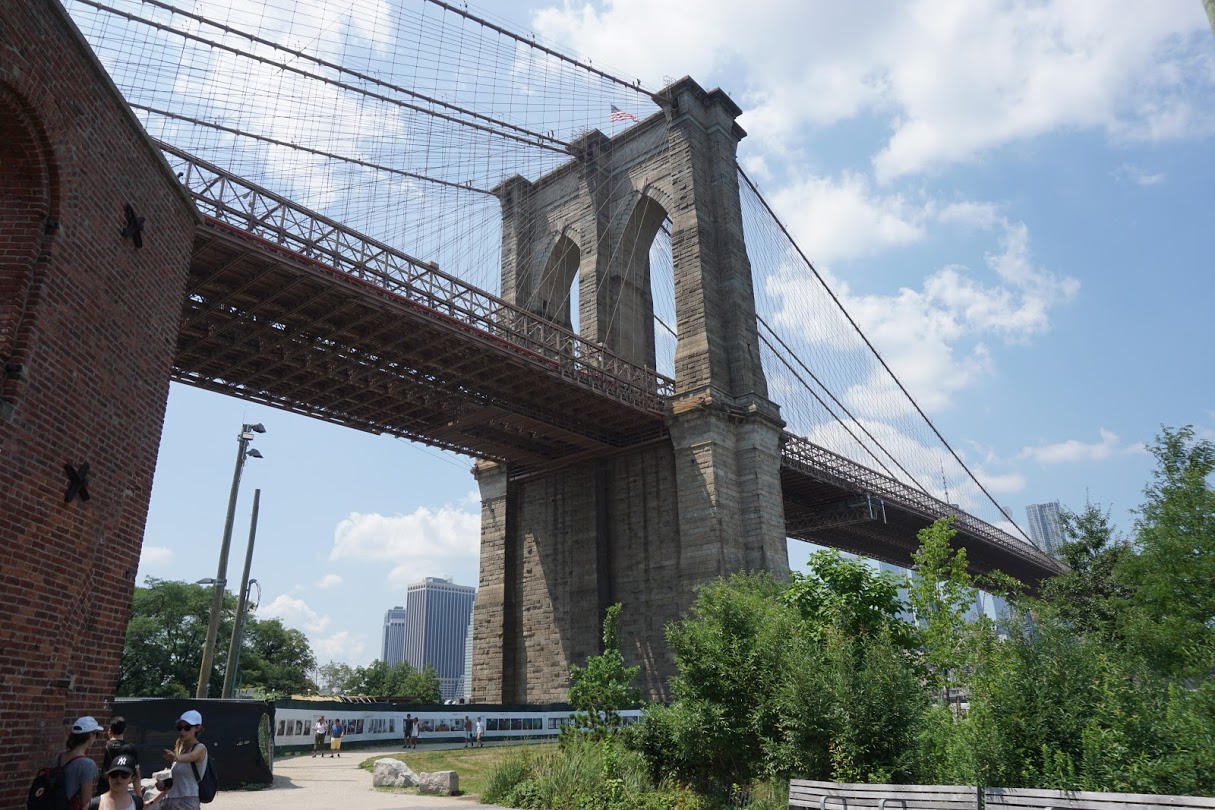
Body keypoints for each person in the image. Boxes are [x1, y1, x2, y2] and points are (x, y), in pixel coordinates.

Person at [145, 709, 207, 810]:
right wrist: (162, 787)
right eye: (179, 727)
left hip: (187, 803)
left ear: (197, 728)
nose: (182, 731)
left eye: (187, 727)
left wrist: (175, 758)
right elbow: (175, 784)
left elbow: (191, 757)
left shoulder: (200, 748)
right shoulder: (181, 751)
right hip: (171, 802)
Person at [53, 715, 104, 810]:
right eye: (96, 734)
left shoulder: (58, 757)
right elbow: (86, 802)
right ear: (90, 736)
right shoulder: (87, 764)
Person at [98, 716, 140, 795]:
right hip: (121, 791)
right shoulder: (131, 748)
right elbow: (137, 774)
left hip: (103, 790)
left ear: (110, 730)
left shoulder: (103, 747)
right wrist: (139, 797)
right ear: (124, 730)